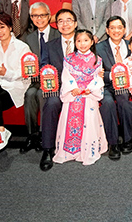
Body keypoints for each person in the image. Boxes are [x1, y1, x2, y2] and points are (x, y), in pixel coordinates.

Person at [53, 29, 107, 166]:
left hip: (89, 95)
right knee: (69, 122)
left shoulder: (97, 60)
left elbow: (98, 78)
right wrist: (73, 88)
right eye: (79, 41)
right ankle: (69, 152)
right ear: (75, 42)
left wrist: (91, 88)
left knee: (88, 121)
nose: (82, 44)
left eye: (86, 40)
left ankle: (87, 150)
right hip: (73, 95)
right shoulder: (69, 58)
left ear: (91, 42)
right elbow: (66, 76)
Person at [0, 12, 31, 157]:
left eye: (2, 27)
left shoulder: (22, 47)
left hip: (17, 86)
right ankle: (1, 132)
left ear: (9, 27)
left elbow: (25, 73)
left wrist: (5, 73)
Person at [38, 9, 78, 170]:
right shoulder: (49, 45)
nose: (65, 24)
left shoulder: (84, 41)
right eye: (60, 21)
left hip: (80, 87)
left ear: (75, 23)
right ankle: (48, 149)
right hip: (58, 87)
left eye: (69, 20)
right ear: (56, 25)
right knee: (52, 103)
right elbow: (44, 66)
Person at [20, 2, 61, 153]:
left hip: (55, 80)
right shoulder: (28, 38)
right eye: (35, 16)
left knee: (42, 94)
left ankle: (46, 134)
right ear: (31, 18)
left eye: (43, 15)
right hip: (36, 80)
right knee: (30, 94)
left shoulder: (58, 34)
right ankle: (32, 135)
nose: (39, 18)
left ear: (49, 16)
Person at [95, 16, 132, 160]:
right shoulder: (99, 47)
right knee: (107, 103)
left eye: (119, 28)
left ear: (124, 30)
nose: (116, 31)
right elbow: (96, 72)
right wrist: (110, 76)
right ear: (107, 30)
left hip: (124, 85)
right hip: (105, 85)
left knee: (124, 100)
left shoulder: (131, 45)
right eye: (112, 28)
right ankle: (112, 143)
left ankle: (127, 139)